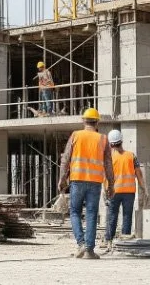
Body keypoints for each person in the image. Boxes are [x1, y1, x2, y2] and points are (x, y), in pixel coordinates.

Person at [57, 108, 113, 260]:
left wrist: (62, 178)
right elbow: (108, 164)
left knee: (75, 212)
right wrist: (111, 184)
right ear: (97, 122)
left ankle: (81, 243)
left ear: (83, 121)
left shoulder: (76, 135)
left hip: (77, 180)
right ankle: (89, 250)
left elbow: (65, 159)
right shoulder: (103, 139)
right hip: (95, 182)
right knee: (91, 214)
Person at [103, 130, 148, 249]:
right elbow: (139, 174)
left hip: (113, 192)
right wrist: (144, 189)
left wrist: (105, 192)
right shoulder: (131, 156)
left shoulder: (109, 157)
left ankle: (108, 240)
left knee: (112, 216)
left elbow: (105, 176)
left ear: (111, 144)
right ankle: (124, 242)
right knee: (127, 216)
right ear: (121, 141)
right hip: (129, 192)